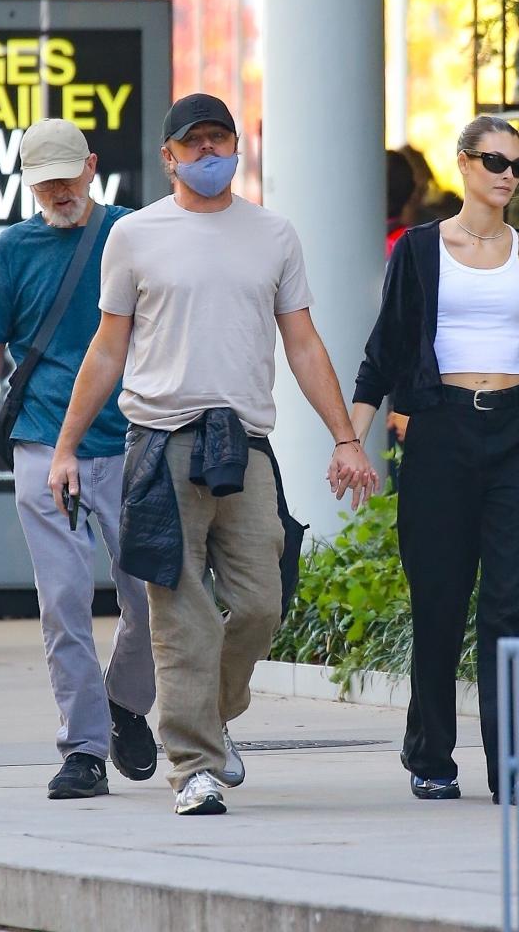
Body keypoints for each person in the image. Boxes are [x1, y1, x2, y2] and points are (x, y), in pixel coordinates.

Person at [47, 93, 378, 817]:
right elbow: (108, 347)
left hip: (245, 444)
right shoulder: (134, 235)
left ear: (235, 147)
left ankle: (213, 712)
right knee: (179, 612)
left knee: (262, 601)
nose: (206, 154)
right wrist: (66, 445)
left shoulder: (272, 233)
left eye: (217, 140)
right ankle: (192, 763)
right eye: (191, 144)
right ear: (168, 156)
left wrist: (345, 436)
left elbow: (301, 339)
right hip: (159, 441)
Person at [349, 115, 519, 806]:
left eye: (517, 167)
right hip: (440, 431)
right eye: (495, 161)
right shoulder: (418, 249)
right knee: (438, 601)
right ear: (465, 164)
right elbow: (383, 352)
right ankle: (430, 753)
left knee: (509, 602)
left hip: (515, 436)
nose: (507, 175)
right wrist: (349, 440)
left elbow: (514, 336)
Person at [0, 119, 157, 800]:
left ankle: (124, 703)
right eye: (43, 180)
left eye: (67, 176)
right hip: (46, 444)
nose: (58, 191)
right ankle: (83, 746)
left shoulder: (129, 233)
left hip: (132, 441)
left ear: (92, 166)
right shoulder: (15, 248)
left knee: (150, 600)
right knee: (64, 602)